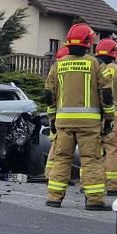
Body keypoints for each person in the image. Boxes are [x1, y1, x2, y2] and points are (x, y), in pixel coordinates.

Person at [44, 23, 114, 210]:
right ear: (89, 42)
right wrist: (109, 117)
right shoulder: (95, 64)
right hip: (89, 124)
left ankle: (54, 197)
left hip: (63, 122)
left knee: (61, 159)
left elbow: (49, 94)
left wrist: (52, 118)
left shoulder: (58, 64)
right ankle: (94, 200)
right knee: (91, 160)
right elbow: (106, 93)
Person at [95, 38, 117, 195]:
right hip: (115, 115)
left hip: (95, 116)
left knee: (95, 150)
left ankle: (91, 182)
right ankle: (113, 186)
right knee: (112, 149)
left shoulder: (95, 69)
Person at [44, 45, 70, 181]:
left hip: (58, 116)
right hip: (64, 117)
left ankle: (50, 174)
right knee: (60, 151)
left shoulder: (56, 70)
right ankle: (52, 175)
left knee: (57, 148)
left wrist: (52, 117)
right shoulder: (66, 71)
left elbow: (49, 95)